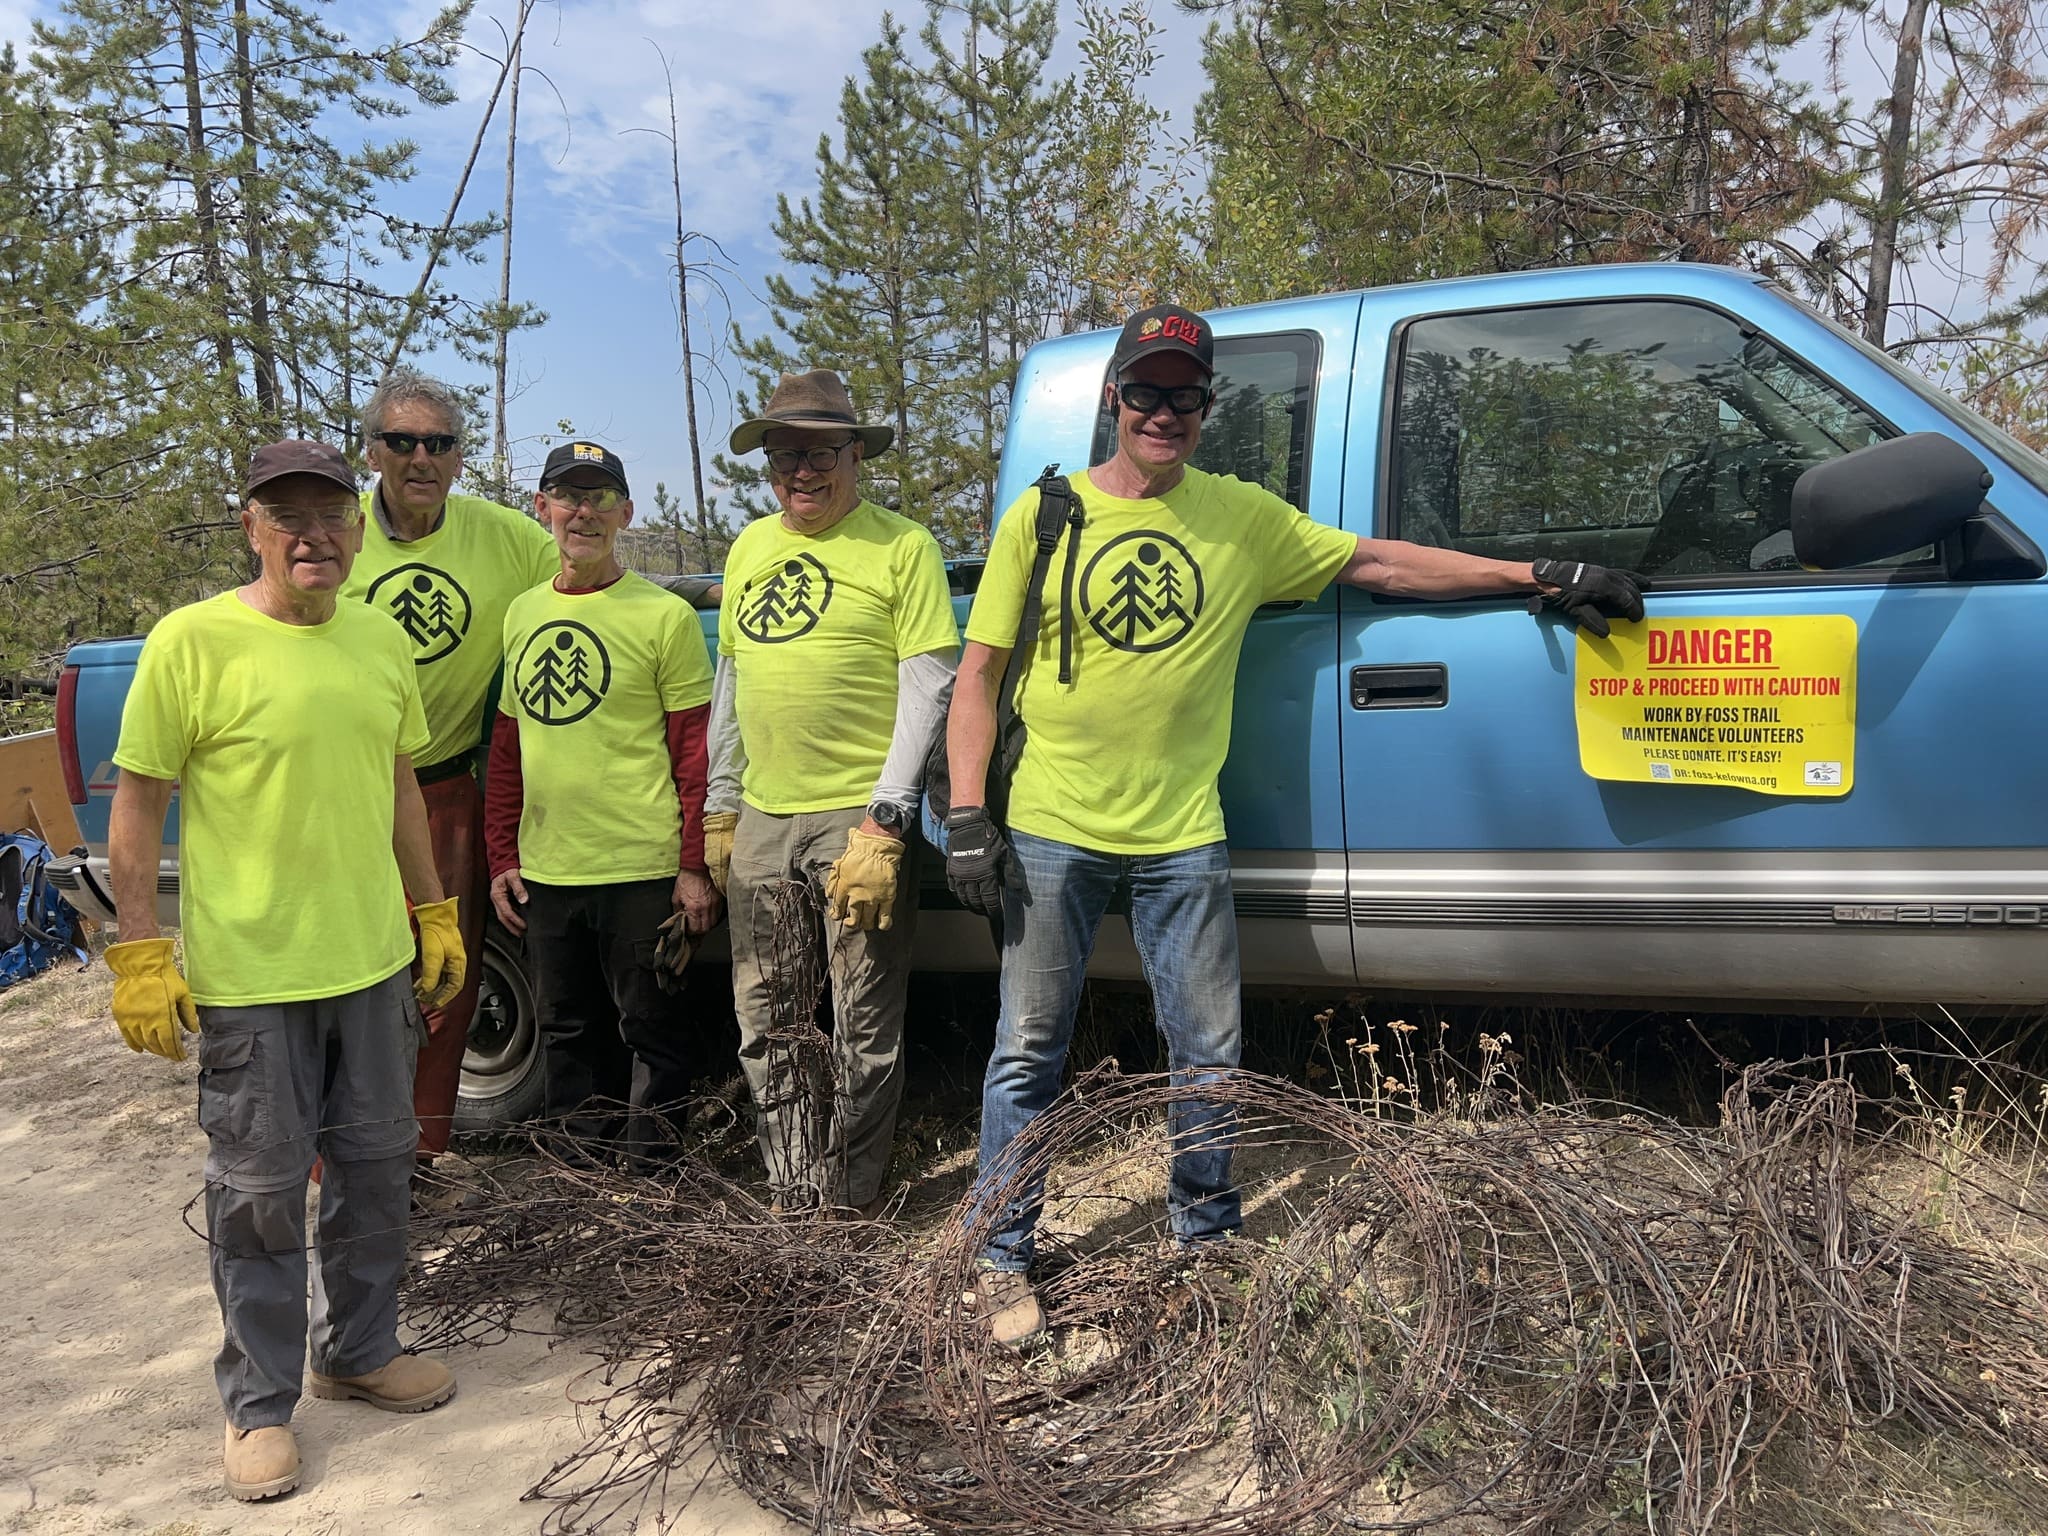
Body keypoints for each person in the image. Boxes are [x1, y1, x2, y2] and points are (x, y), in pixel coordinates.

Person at [945, 303, 1647, 1345]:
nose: (1163, 412)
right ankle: (1000, 1256)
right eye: (1145, 391)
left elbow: (1380, 565)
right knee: (1027, 1050)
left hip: (1181, 826)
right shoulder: (1043, 518)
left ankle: (1206, 1242)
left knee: (1208, 1052)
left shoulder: (1241, 517)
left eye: (1185, 395)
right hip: (1051, 821)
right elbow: (977, 676)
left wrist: (1532, 576)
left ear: (1207, 406)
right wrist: (967, 815)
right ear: (1113, 399)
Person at [106, 441, 464, 1501]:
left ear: (356, 528)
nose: (313, 536)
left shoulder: (378, 638)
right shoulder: (191, 643)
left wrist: (432, 908)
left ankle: (357, 1351)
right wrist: (139, 947)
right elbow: (138, 799)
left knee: (376, 1168)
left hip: (372, 964)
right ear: (251, 530)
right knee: (260, 1195)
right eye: (287, 517)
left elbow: (398, 783)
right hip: (253, 975)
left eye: (330, 515)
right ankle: (258, 1407)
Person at [713, 370, 958, 1217]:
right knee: (766, 1014)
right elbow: (731, 681)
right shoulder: (749, 548)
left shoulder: (901, 547)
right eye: (785, 454)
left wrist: (886, 819)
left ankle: (848, 1200)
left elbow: (929, 682)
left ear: (857, 455)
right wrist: (722, 801)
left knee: (861, 1020)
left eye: (821, 452)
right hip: (762, 817)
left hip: (857, 818)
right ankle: (793, 1188)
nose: (801, 470)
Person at [340, 368, 558, 1174]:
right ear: (373, 451)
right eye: (402, 441)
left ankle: (418, 1158)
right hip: (342, 793)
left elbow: (585, 579)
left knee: (444, 981)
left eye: (439, 443)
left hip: (441, 789)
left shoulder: (507, 538)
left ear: (461, 457)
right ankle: (342, 1164)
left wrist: (700, 592)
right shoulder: (336, 535)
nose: (421, 458)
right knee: (347, 981)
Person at [485, 440, 719, 1163]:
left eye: (599, 498)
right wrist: (502, 857)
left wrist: (694, 867)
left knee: (652, 1031)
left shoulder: (663, 616)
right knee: (566, 1032)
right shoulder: (522, 613)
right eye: (567, 496)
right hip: (549, 869)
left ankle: (653, 1176)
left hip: (640, 866)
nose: (582, 512)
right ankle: (584, 1173)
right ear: (542, 508)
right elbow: (508, 748)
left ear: (625, 513)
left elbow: (694, 752)